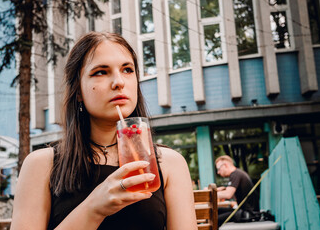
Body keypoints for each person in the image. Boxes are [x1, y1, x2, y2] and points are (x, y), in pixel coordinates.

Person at [11, 32, 197, 230]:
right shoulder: (41, 164)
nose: (119, 82)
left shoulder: (169, 163)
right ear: (78, 91)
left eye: (127, 69)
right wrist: (95, 208)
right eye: (100, 72)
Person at [215, 155, 259, 225]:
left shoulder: (235, 174)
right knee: (217, 211)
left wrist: (210, 195)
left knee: (214, 220)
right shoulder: (237, 173)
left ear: (225, 165)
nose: (218, 172)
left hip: (248, 213)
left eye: (218, 169)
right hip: (244, 211)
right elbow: (229, 189)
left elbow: (228, 194)